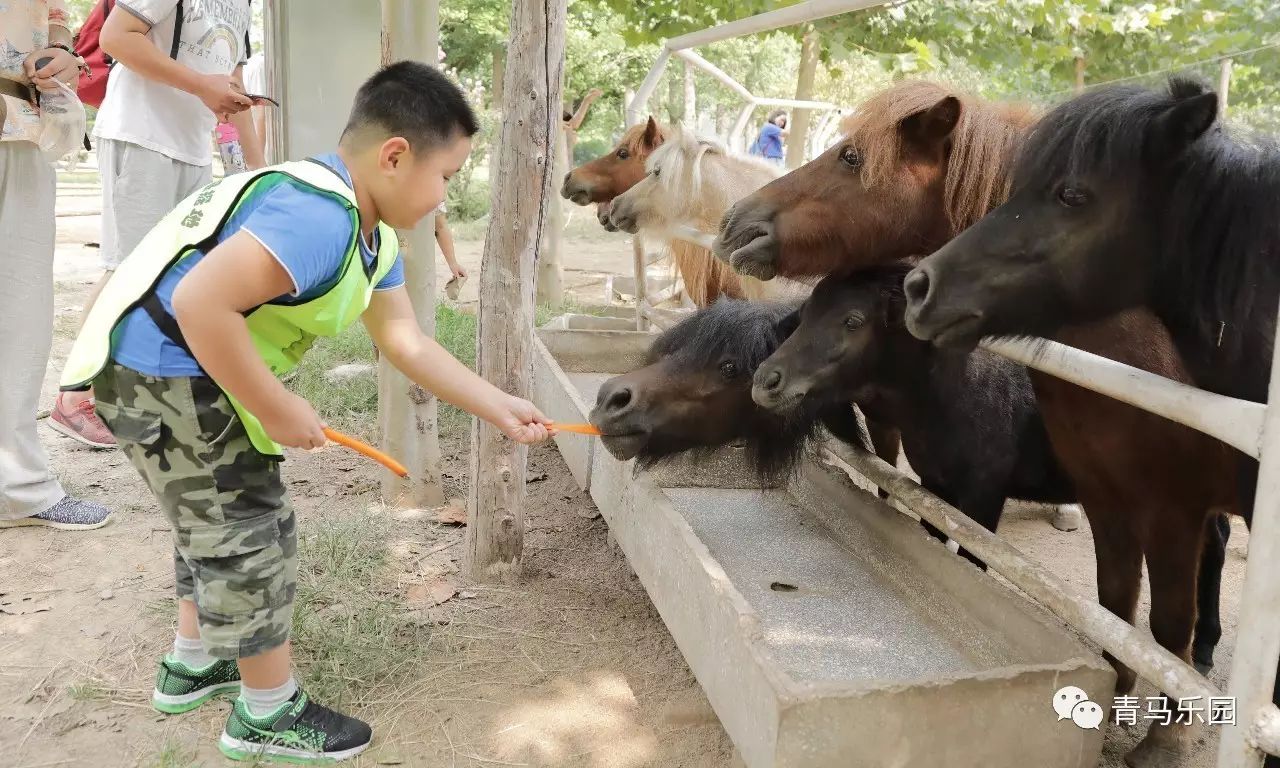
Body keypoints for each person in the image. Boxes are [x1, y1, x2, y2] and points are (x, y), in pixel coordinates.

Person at [59, 61, 555, 764]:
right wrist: (276, 402)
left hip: (186, 369)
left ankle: (195, 662)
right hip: (163, 370)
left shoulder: (370, 231)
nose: (445, 198)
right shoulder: (320, 217)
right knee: (249, 529)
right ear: (393, 156)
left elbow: (406, 342)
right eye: (446, 177)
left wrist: (498, 405)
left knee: (211, 515)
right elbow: (200, 303)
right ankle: (265, 714)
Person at [50, 0, 261, 448]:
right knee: (129, 272)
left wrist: (258, 174)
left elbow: (235, 87)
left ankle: (146, 396)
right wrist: (202, 86)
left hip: (192, 148)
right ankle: (74, 396)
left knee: (176, 278)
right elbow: (116, 37)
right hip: (141, 134)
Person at [0, 0, 112, 531]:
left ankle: (17, 484)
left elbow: (51, 14)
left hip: (23, 129)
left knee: (22, 313)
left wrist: (62, 50)